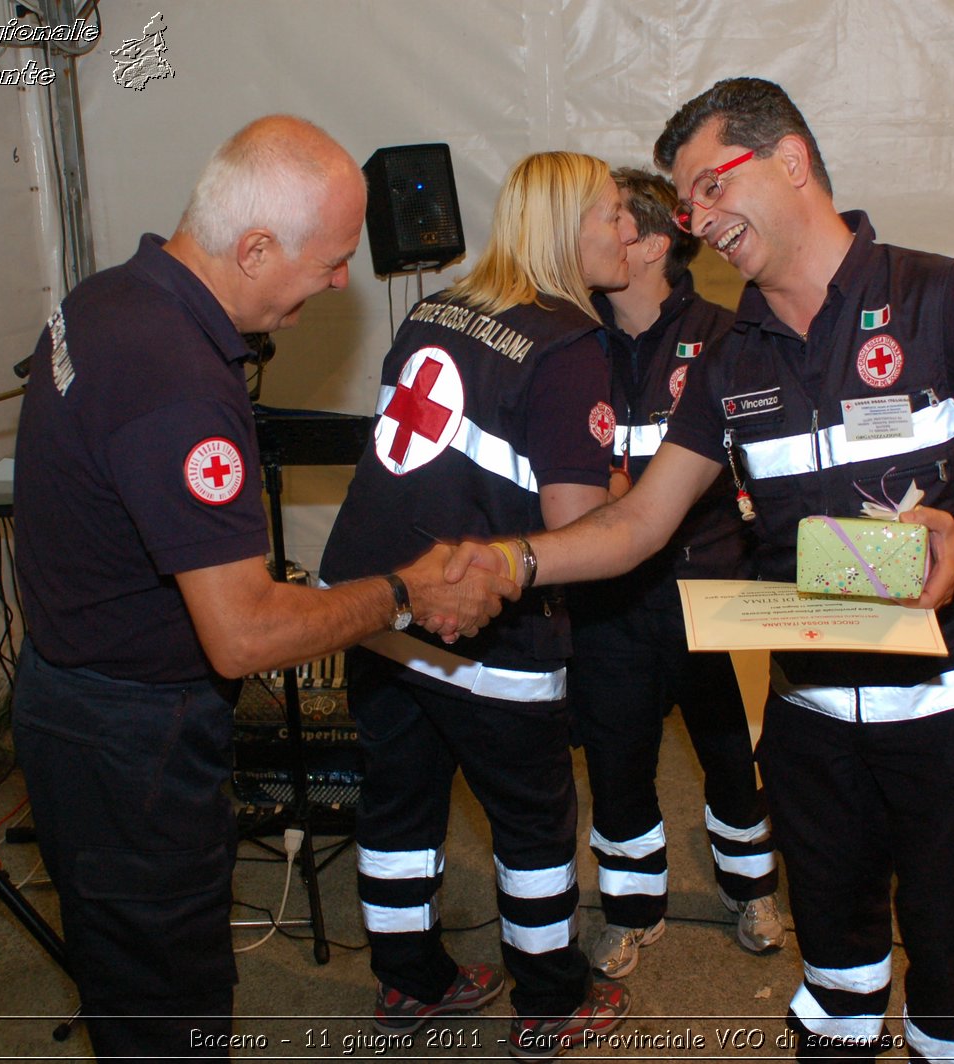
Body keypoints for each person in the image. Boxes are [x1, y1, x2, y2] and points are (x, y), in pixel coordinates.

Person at [453, 79, 954, 1063]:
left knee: (953, 955)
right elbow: (638, 523)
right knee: (835, 958)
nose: (700, 222)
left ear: (791, 159)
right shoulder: (728, 355)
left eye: (712, 188)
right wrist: (513, 559)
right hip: (808, 700)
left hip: (951, 697)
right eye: (687, 207)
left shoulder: (947, 296)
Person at [11, 115, 516, 1061]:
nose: (338, 283)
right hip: (129, 740)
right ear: (252, 247)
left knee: (145, 973)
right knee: (168, 1002)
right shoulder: (178, 383)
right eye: (329, 262)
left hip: (78, 702)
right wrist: (404, 592)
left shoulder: (111, 296)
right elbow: (241, 636)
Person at [318, 151, 637, 1060]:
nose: (630, 232)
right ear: (570, 229)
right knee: (534, 821)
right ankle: (550, 999)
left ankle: (409, 983)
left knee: (397, 810)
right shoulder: (571, 346)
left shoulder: (438, 306)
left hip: (376, 605)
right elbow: (576, 530)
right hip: (487, 622)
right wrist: (639, 490)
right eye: (614, 215)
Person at [569, 168, 784, 979]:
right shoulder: (569, 337)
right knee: (617, 760)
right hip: (607, 598)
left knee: (731, 754)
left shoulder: (729, 338)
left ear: (655, 243)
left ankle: (751, 887)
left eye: (612, 220)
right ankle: (630, 909)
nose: (591, 235)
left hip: (708, 590)